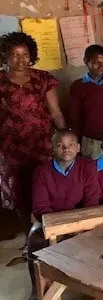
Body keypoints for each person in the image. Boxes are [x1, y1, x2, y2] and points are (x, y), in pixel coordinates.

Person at [24, 129, 100, 300]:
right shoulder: (42, 172)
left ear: (78, 147)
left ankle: (89, 286)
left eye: (71, 145)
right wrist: (61, 229)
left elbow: (91, 201)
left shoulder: (88, 166)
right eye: (60, 145)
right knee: (35, 240)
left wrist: (74, 227)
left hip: (80, 221)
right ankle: (37, 292)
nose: (66, 149)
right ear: (52, 148)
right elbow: (40, 207)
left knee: (97, 238)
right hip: (52, 222)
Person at [0, 32, 66, 235]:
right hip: (10, 148)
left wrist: (64, 139)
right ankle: (29, 236)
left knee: (45, 187)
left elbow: (55, 112)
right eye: (14, 54)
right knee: (18, 193)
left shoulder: (43, 79)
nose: (20, 59)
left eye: (25, 54)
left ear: (32, 55)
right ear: (6, 56)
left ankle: (48, 233)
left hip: (41, 144)